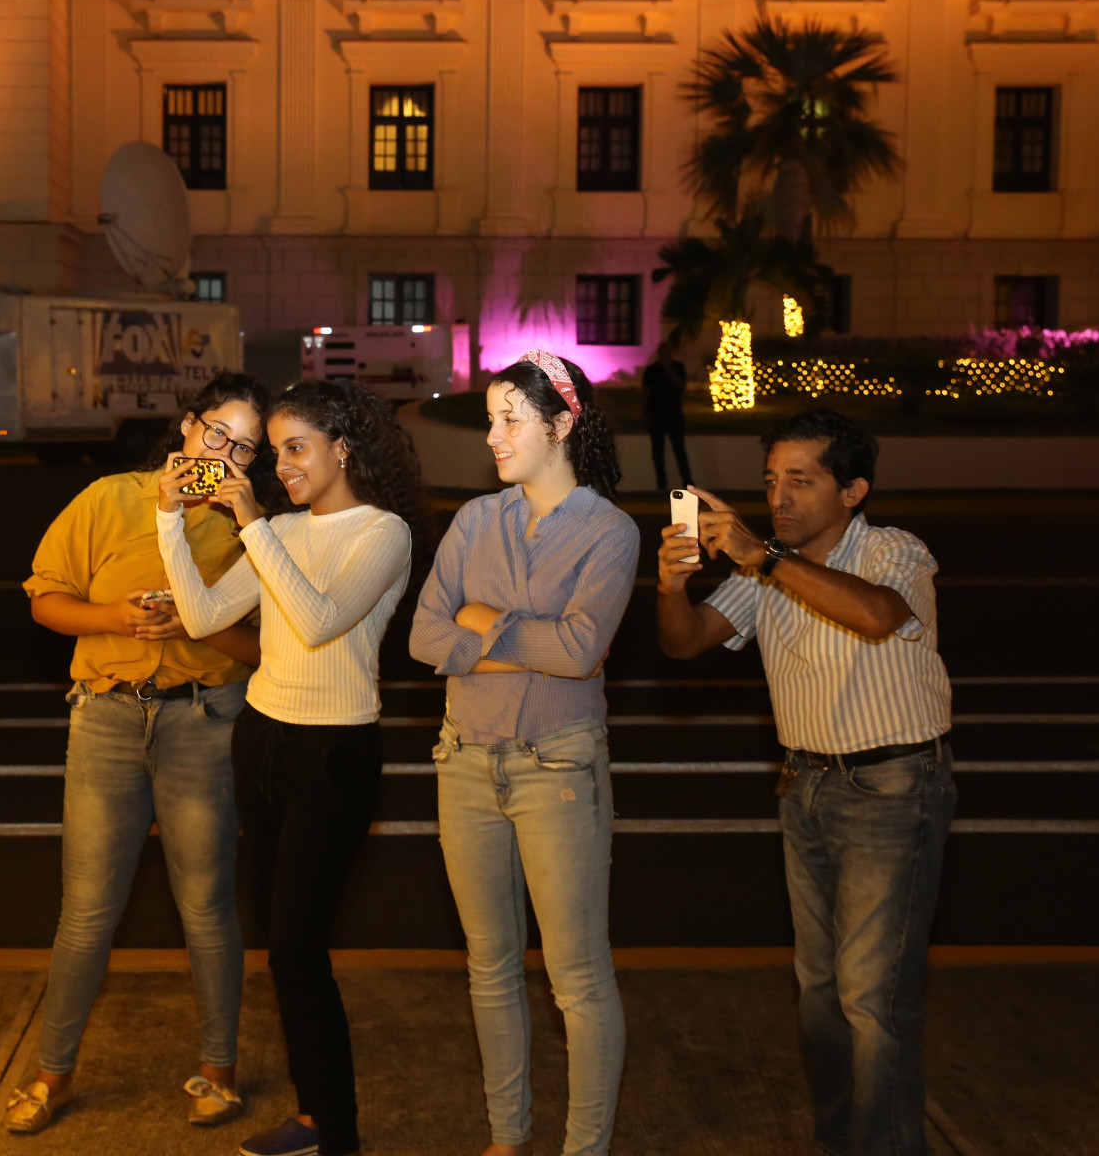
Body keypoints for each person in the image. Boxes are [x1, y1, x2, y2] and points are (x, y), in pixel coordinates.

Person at [654, 409, 955, 1156]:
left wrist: (762, 558)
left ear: (852, 491)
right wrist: (669, 587)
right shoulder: (769, 568)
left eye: (801, 480)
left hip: (892, 787)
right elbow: (687, 642)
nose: (779, 497)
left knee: (872, 997)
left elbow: (878, 614)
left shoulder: (893, 550)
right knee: (820, 993)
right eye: (770, 481)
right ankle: (839, 1141)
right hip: (804, 786)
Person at [154, 379, 427, 1156]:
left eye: (296, 447)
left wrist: (251, 524)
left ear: (343, 447)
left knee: (299, 949)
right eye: (275, 452)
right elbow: (205, 616)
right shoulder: (281, 529)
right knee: (281, 943)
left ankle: (334, 1133)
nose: (282, 466)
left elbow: (316, 620)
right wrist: (169, 519)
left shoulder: (383, 533)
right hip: (263, 738)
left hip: (334, 752)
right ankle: (313, 1119)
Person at [5, 372, 279, 1134]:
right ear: (187, 426)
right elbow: (45, 598)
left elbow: (266, 650)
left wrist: (196, 621)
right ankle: (52, 1074)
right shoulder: (109, 498)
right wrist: (115, 616)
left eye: (245, 449)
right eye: (217, 434)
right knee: (86, 911)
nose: (224, 456)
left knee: (207, 906)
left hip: (204, 719)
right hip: (107, 715)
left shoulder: (251, 526)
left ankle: (218, 1072)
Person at [409, 351, 639, 1156]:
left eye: (511, 419)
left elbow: (580, 652)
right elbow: (423, 635)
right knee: (490, 966)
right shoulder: (477, 520)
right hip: (465, 759)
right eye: (491, 419)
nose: (493, 436)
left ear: (562, 424)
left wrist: (481, 624)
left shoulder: (609, 531)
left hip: (558, 767)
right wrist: (522, 642)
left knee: (577, 977)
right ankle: (507, 1138)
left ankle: (585, 1148)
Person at [643, 333, 693, 490]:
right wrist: (646, 413)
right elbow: (646, 393)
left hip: (674, 413)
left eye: (667, 351)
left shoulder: (678, 367)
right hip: (656, 413)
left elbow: (681, 386)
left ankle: (687, 481)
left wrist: (669, 370)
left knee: (679, 448)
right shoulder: (651, 370)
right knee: (658, 450)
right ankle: (661, 483)